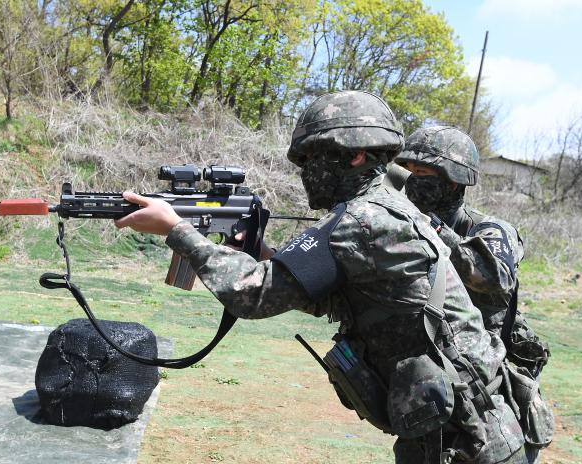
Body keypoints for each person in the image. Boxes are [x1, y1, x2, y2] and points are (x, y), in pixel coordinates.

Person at [115, 91, 529, 463]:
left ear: (355, 156)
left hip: (467, 437)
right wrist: (265, 256)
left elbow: (253, 294)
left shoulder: (362, 220)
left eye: (314, 158)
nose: (305, 171)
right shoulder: (380, 210)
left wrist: (176, 229)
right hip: (456, 428)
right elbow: (338, 296)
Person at [395, 126, 553, 460]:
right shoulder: (409, 228)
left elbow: (495, 277)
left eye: (421, 172)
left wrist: (436, 231)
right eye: (408, 171)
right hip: (432, 387)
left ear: (452, 180)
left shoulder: (489, 229)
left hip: (490, 396)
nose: (411, 180)